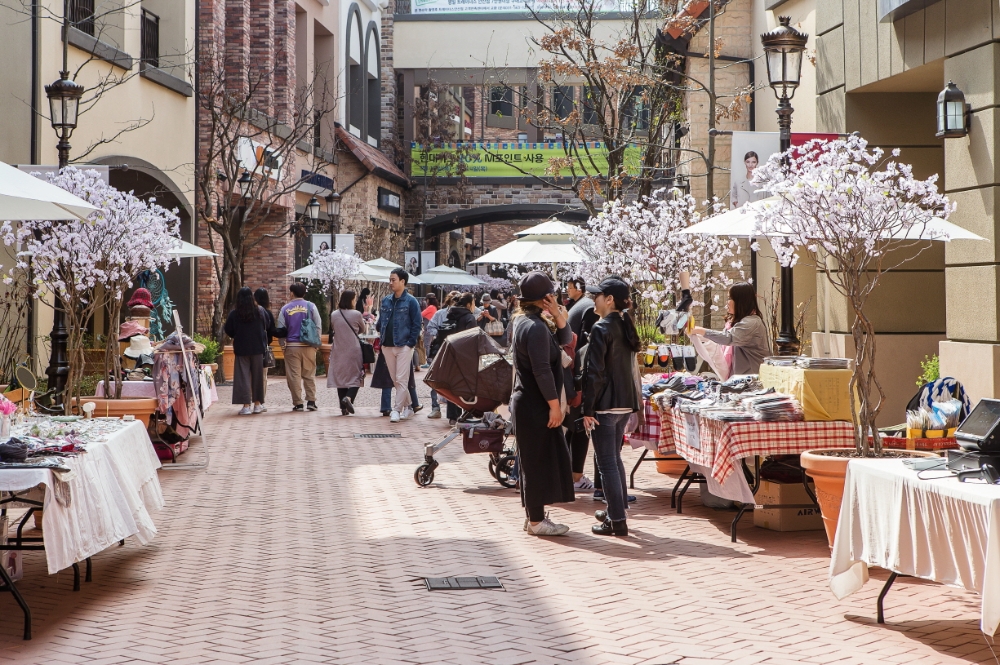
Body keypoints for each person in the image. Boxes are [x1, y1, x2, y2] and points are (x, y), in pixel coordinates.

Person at [509, 271, 575, 537]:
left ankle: (534, 518)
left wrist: (558, 314)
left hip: (531, 402)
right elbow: (541, 370)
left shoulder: (530, 322)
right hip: (535, 403)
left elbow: (565, 339)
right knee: (537, 462)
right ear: (544, 297)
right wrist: (554, 406)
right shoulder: (534, 326)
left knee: (534, 460)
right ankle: (536, 521)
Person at [581, 278, 643, 537]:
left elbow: (594, 372)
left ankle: (616, 519)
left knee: (606, 462)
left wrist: (587, 409)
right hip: (623, 404)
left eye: (597, 295)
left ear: (609, 299)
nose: (593, 299)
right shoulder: (624, 325)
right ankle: (616, 512)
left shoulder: (601, 328)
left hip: (605, 406)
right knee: (612, 459)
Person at [565, 275, 600, 491]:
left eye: (569, 287)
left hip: (571, 374)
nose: (567, 290)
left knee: (573, 428)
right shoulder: (588, 308)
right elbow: (588, 347)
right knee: (580, 428)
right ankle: (576, 477)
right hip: (579, 376)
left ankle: (571, 474)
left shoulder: (578, 307)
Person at [693, 282, 771, 375]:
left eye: (730, 298)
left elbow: (728, 338)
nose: (727, 302)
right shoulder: (737, 322)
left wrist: (701, 331)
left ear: (740, 301)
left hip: (751, 382)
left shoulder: (751, 323)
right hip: (742, 381)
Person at [378, 268, 423, 422]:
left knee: (401, 379)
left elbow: (417, 324)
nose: (390, 283)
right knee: (396, 380)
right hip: (387, 345)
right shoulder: (385, 300)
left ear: (403, 281)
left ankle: (396, 410)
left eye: (393, 280)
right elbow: (380, 322)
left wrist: (410, 343)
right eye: (389, 279)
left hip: (404, 344)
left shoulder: (411, 301)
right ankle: (409, 406)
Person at [276, 282, 322, 412]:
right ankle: (311, 401)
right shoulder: (311, 306)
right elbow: (318, 325)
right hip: (308, 345)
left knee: (294, 375)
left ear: (292, 293)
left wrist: (282, 345)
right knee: (309, 374)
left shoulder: (285, 309)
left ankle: (298, 403)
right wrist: (316, 344)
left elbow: (281, 329)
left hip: (292, 346)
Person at [224, 287, 267, 415]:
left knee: (243, 377)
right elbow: (267, 324)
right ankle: (258, 404)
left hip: (242, 348)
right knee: (257, 377)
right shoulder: (260, 311)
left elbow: (228, 330)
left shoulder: (234, 313)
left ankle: (246, 406)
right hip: (258, 348)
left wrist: (236, 335)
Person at [439, 292, 478, 425]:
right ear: (468, 304)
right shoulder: (469, 318)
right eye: (473, 303)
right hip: (465, 357)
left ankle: (452, 417)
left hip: (450, 354)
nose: (474, 306)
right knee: (466, 386)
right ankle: (467, 414)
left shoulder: (451, 314)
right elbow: (472, 339)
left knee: (452, 385)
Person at [328, 290, 367, 416]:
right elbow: (362, 329)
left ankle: (343, 407)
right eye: (354, 299)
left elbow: (333, 328)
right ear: (351, 300)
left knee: (341, 377)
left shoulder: (334, 314)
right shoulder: (356, 314)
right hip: (353, 349)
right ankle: (349, 398)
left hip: (338, 349)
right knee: (357, 375)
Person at [425, 291, 459, 419]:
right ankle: (435, 407)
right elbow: (430, 327)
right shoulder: (440, 314)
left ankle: (453, 412)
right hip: (440, 349)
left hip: (456, 350)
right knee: (436, 378)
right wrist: (441, 334)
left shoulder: (462, 315)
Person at [253, 287, 275, 413]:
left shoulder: (249, 311)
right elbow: (271, 330)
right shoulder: (267, 313)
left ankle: (249, 401)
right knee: (262, 377)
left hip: (248, 348)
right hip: (262, 348)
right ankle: (260, 402)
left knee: (250, 376)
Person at [420, 294, 439, 368]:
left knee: (426, 345)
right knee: (428, 344)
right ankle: (429, 360)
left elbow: (421, 314)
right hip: (430, 328)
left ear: (428, 300)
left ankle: (429, 361)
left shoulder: (430, 307)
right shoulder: (434, 307)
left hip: (428, 329)